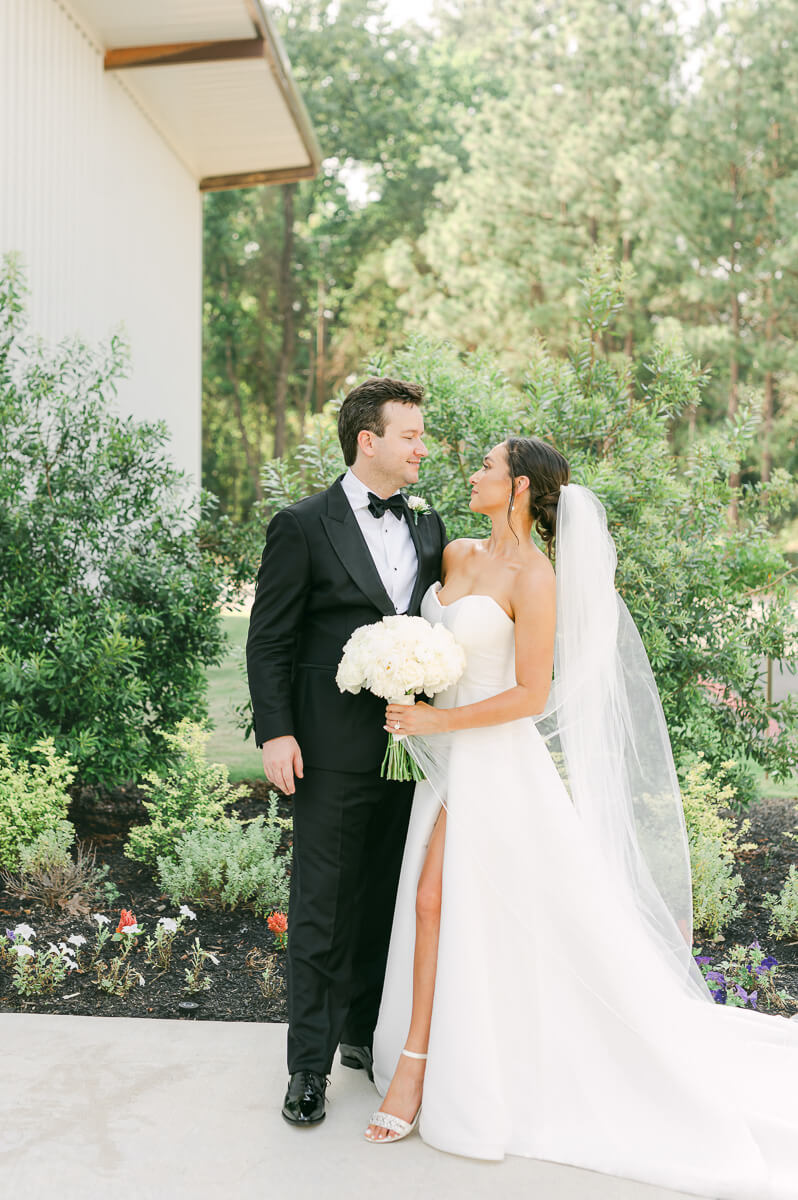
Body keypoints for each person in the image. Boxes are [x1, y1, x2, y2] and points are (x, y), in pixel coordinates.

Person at [363, 436, 798, 1200]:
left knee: (437, 901)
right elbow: (428, 640)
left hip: (494, 762)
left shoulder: (537, 578)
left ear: (521, 487)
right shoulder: (456, 551)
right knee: (445, 908)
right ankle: (452, 1051)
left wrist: (435, 725)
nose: (473, 473)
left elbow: (533, 695)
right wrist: (402, 675)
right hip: (440, 764)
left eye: (487, 467)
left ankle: (418, 1072)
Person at [246, 377, 447, 1127]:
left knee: (388, 902)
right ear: (370, 441)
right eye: (411, 436)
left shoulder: (430, 526)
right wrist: (276, 732)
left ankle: (366, 1034)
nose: (422, 447)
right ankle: (308, 1068)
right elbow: (269, 640)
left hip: (413, 754)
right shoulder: (301, 524)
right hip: (327, 751)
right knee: (323, 909)